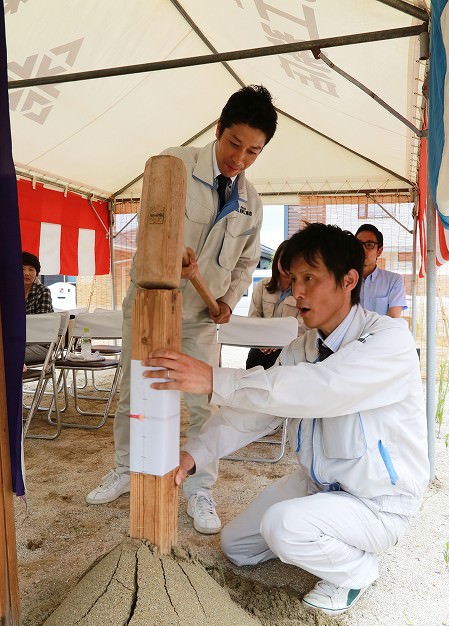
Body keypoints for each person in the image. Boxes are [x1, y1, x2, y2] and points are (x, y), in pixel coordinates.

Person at [145, 223, 430, 616]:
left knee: (284, 527)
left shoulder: (389, 340)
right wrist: (192, 455)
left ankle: (358, 570)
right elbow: (254, 412)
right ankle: (316, 536)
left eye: (310, 278)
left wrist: (216, 378)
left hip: (376, 503)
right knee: (237, 547)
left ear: (349, 280)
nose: (297, 292)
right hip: (318, 487)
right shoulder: (303, 347)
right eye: (294, 279)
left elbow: (323, 387)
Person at [86, 85, 278, 537]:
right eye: (234, 144)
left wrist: (229, 299)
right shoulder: (172, 165)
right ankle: (126, 470)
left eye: (253, 151)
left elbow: (248, 261)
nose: (240, 159)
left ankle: (199, 487)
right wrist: (169, 255)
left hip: (200, 318)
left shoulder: (253, 203)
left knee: (204, 402)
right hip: (152, 304)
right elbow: (151, 228)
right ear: (218, 130)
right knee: (136, 390)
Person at [246, 239, 305, 370]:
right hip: (260, 347)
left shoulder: (303, 292)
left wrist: (278, 340)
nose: (286, 265)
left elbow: (303, 324)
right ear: (277, 260)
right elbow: (253, 317)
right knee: (253, 364)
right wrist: (264, 341)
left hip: (288, 348)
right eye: (283, 259)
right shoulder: (262, 286)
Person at [355, 224, 407, 317]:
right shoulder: (344, 280)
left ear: (379, 251)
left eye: (369, 245)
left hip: (382, 331)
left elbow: (392, 320)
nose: (362, 250)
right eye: (358, 244)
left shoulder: (393, 281)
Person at [23, 251, 54, 364]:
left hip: (42, 345)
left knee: (8, 355)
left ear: (36, 273)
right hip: (17, 342)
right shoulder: (11, 293)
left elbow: (41, 325)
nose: (26, 273)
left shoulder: (43, 291)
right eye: (22, 269)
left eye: (31, 269)